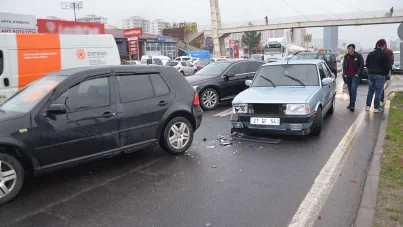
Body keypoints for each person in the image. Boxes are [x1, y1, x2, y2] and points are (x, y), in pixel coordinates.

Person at [365, 39, 390, 113]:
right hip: (380, 75)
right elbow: (387, 66)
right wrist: (385, 74)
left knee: (370, 90)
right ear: (384, 45)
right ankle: (376, 108)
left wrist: (371, 70)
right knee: (378, 92)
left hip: (371, 74)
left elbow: (367, 64)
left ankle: (368, 106)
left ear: (377, 45)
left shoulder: (371, 54)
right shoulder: (385, 54)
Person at [342, 44, 364, 112]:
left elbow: (361, 65)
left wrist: (357, 74)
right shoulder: (346, 57)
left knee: (353, 90)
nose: (348, 50)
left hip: (355, 76)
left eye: (350, 48)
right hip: (348, 76)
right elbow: (344, 66)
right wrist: (345, 74)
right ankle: (351, 103)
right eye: (348, 48)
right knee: (350, 91)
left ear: (353, 49)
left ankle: (352, 105)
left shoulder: (358, 56)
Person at [380, 41, 394, 107]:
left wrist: (389, 67)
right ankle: (380, 100)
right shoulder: (378, 51)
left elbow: (391, 60)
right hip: (379, 70)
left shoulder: (388, 51)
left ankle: (381, 100)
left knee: (381, 85)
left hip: (384, 70)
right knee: (380, 86)